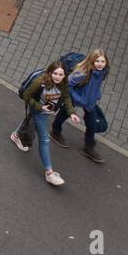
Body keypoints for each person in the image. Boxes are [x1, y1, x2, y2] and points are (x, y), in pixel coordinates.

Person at [10, 58, 82, 186]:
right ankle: (49, 173)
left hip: (46, 113)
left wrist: (72, 113)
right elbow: (26, 95)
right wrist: (39, 107)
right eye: (55, 73)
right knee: (44, 140)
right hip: (39, 113)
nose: (58, 77)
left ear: (64, 75)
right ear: (50, 72)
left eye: (60, 74)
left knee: (28, 120)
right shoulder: (40, 82)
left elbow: (65, 97)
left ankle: (16, 135)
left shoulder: (63, 84)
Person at [52, 50, 111, 164]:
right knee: (65, 113)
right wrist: (79, 99)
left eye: (102, 61)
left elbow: (96, 84)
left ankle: (89, 147)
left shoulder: (103, 71)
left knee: (91, 124)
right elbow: (68, 85)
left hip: (90, 101)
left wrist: (97, 93)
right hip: (78, 98)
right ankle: (55, 131)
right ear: (91, 61)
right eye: (97, 61)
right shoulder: (82, 73)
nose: (100, 64)